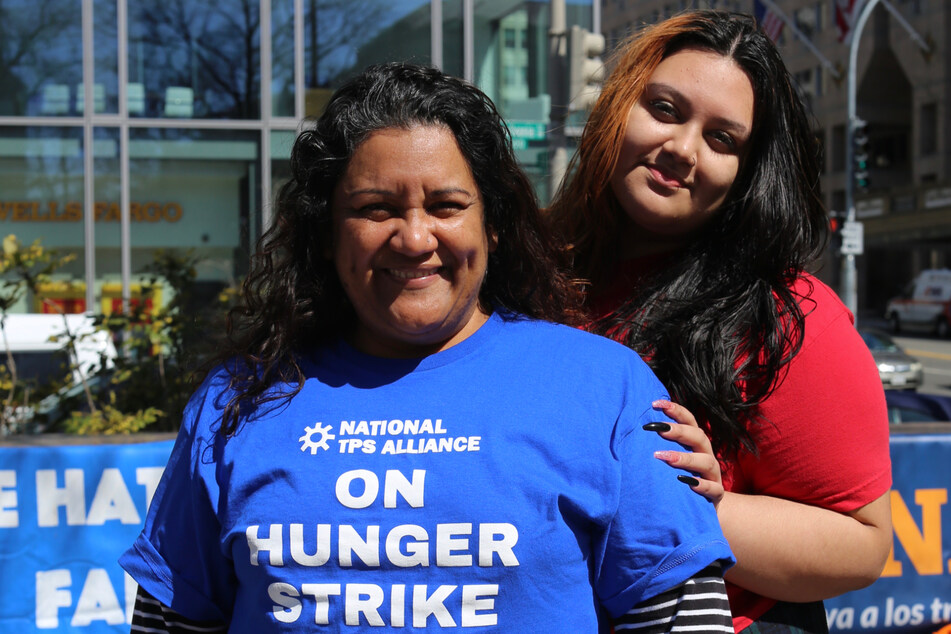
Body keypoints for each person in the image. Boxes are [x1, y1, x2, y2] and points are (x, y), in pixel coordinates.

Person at [119, 62, 735, 632]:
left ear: (491, 223)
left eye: (446, 205)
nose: (414, 239)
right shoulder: (238, 400)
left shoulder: (605, 388)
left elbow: (682, 614)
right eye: (375, 208)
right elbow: (170, 620)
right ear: (328, 233)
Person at [548, 11, 893, 633]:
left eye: (722, 140)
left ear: (746, 176)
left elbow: (863, 545)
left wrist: (706, 508)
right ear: (617, 105)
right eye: (665, 108)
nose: (681, 149)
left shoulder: (786, 317)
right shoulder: (519, 274)